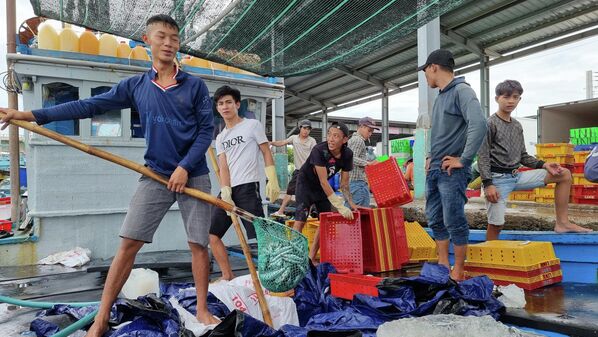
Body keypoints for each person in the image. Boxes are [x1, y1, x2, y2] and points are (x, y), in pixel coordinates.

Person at [1, 14, 220, 335]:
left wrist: (185, 167)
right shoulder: (136, 86)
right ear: (148, 40)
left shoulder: (195, 86)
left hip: (194, 174)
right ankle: (102, 317)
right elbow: (86, 106)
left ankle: (201, 307)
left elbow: (206, 132)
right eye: (161, 37)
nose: (169, 43)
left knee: (198, 244)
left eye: (174, 38)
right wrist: (28, 114)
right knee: (128, 244)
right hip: (156, 175)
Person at [478, 80, 592, 240]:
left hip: (516, 176)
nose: (511, 101)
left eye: (515, 97)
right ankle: (489, 258)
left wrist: (545, 165)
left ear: (520, 99)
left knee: (564, 174)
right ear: (497, 99)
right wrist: (488, 184)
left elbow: (523, 156)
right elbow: (482, 156)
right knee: (496, 224)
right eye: (506, 97)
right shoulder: (489, 124)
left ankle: (562, 223)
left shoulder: (517, 125)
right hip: (497, 181)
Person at [418, 49, 487, 281]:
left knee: (453, 218)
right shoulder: (441, 96)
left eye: (426, 71)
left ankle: (458, 268)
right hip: (436, 168)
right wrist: (429, 155)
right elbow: (438, 132)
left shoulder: (462, 91)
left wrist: (464, 160)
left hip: (451, 170)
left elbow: (479, 124)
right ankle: (442, 262)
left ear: (433, 67)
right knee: (435, 217)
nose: (426, 76)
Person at [209, 85, 280, 281]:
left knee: (260, 237)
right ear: (217, 108)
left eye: (229, 102)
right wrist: (225, 190)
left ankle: (273, 276)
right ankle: (227, 275)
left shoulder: (252, 125)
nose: (225, 107)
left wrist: (272, 177)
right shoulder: (221, 137)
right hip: (229, 191)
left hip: (248, 187)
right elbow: (223, 167)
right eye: (221, 103)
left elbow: (266, 151)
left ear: (237, 105)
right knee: (212, 235)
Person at [293, 122, 357, 262]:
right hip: (306, 184)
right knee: (301, 218)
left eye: (336, 136)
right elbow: (323, 180)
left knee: (325, 221)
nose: (331, 139)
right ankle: (293, 257)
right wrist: (338, 205)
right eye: (329, 134)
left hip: (323, 188)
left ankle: (311, 257)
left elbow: (344, 183)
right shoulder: (319, 150)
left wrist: (350, 203)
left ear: (344, 140)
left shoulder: (347, 154)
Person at [269, 119, 317, 216]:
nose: (306, 131)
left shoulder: (312, 141)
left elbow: (315, 155)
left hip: (309, 171)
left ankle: (308, 214)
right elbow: (282, 142)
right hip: (299, 170)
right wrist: (270, 143)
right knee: (289, 191)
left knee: (309, 192)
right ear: (300, 128)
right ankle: (281, 211)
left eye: (308, 129)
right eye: (304, 128)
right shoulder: (294, 138)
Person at [347, 117, 379, 207]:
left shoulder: (354, 139)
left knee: (356, 212)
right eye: (369, 130)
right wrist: (368, 163)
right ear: (362, 127)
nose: (370, 134)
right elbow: (351, 158)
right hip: (356, 183)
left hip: (356, 182)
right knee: (356, 213)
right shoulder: (358, 140)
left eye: (372, 131)